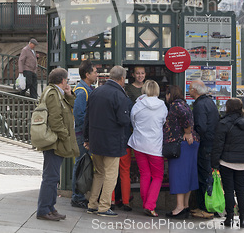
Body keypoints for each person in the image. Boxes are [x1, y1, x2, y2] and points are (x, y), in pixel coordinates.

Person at [83, 65, 130, 217]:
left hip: (96, 140)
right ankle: (104, 207)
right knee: (110, 174)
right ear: (122, 79)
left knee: (99, 173)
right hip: (112, 141)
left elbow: (87, 117)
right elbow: (123, 120)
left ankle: (92, 204)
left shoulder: (96, 91)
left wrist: (87, 138)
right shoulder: (119, 95)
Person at [36, 67, 79, 221]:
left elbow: (70, 107)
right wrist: (65, 136)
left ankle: (50, 207)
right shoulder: (53, 94)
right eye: (66, 80)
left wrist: (69, 94)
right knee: (51, 176)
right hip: (54, 141)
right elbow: (55, 119)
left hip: (56, 140)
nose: (67, 82)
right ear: (62, 80)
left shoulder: (58, 93)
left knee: (53, 176)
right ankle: (43, 209)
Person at [211, 98, 244, 229]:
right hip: (242, 162)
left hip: (227, 162)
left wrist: (214, 163)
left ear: (228, 108)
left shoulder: (224, 123)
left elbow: (218, 145)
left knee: (229, 190)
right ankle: (243, 219)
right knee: (241, 189)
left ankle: (229, 217)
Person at [128, 80, 168, 217]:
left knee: (144, 174)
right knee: (157, 176)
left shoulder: (137, 105)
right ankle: (150, 205)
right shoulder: (162, 106)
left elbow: (132, 121)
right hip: (155, 146)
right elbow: (163, 122)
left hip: (139, 144)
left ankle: (147, 204)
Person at [163, 85, 200, 219]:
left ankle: (179, 208)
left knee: (178, 175)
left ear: (170, 94)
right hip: (190, 145)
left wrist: (187, 132)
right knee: (188, 175)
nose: (165, 97)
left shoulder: (175, 105)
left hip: (181, 145)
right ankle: (185, 205)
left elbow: (185, 117)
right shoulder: (184, 104)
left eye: (166, 94)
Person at [190, 79, 219, 219]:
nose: (189, 91)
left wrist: (192, 134)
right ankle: (207, 207)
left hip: (205, 145)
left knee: (203, 176)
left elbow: (201, 127)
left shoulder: (199, 105)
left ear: (195, 91)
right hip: (211, 144)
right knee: (208, 175)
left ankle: (205, 208)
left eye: (190, 88)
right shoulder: (209, 102)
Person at [71, 60, 98, 208]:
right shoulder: (82, 91)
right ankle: (77, 196)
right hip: (81, 134)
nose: (96, 74)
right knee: (81, 164)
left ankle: (79, 195)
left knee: (82, 163)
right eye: (94, 71)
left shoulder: (87, 88)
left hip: (84, 133)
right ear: (87, 74)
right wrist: (86, 135)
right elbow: (79, 115)